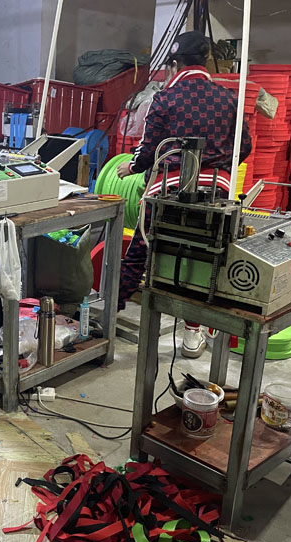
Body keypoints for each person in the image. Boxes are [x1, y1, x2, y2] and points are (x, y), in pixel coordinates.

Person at [117, 31, 252, 358]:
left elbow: (149, 150)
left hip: (168, 190)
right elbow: (244, 146)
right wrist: (217, 167)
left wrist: (131, 167)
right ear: (207, 61)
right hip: (216, 193)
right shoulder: (229, 99)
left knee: (141, 248)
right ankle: (195, 331)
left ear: (175, 64)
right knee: (206, 256)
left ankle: (112, 309)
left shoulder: (164, 99)